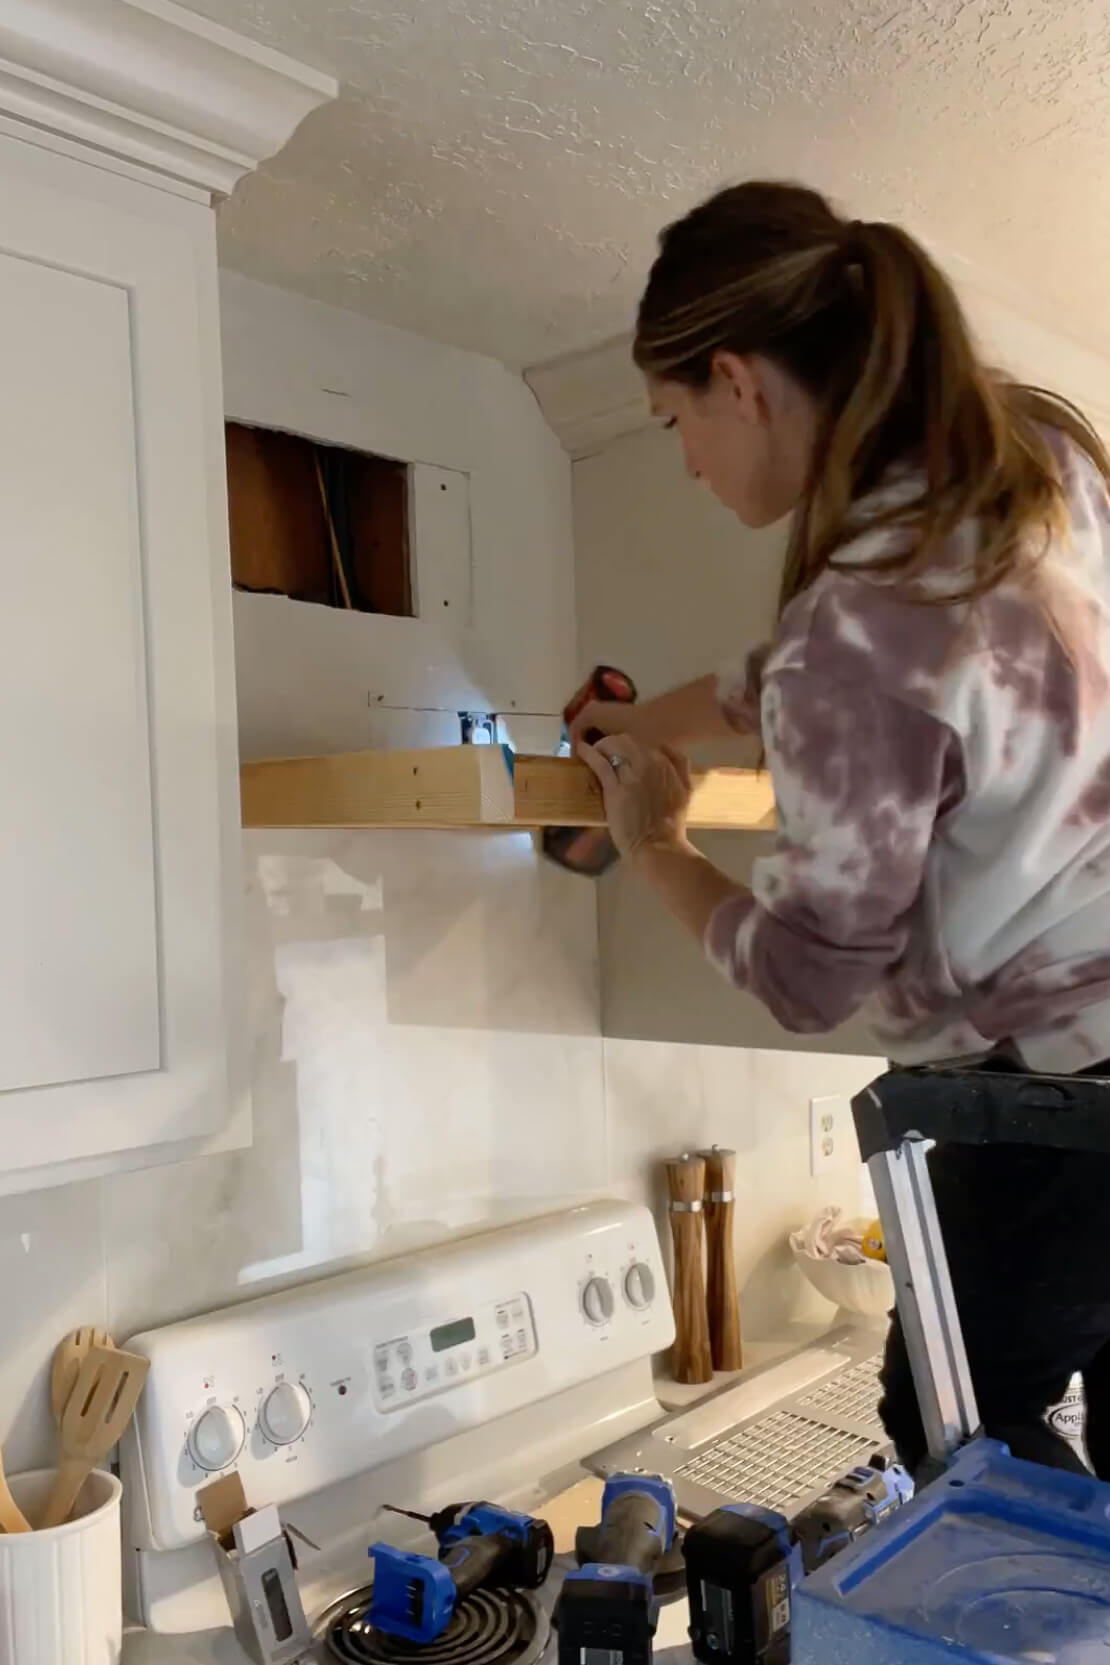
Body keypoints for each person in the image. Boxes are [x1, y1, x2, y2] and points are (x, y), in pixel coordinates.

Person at [571, 180, 1110, 1480]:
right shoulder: (1035, 454)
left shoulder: (847, 634)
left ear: (737, 381)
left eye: (672, 420)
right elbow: (877, 671)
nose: (687, 460)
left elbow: (814, 975)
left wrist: (654, 842)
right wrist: (663, 718)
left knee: (956, 1439)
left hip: (1046, 1108)